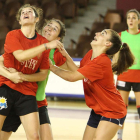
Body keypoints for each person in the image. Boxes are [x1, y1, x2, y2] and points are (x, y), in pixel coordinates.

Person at [49, 29, 135, 140]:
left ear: (107, 43)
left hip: (113, 111)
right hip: (98, 110)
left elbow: (72, 77)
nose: (97, 33)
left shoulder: (101, 62)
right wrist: (64, 53)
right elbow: (77, 70)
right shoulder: (90, 54)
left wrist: (51, 67)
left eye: (103, 33)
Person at [0, 4, 63, 140]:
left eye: (30, 11)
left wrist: (22, 76)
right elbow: (21, 56)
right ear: (20, 21)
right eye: (23, 12)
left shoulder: (42, 42)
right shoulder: (13, 35)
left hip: (27, 92)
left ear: (37, 19)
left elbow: (43, 74)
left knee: (34, 136)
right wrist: (46, 46)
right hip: (6, 88)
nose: (26, 12)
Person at [115, 9, 140, 140]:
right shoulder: (121, 36)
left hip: (139, 76)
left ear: (138, 21)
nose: (131, 20)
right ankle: (119, 137)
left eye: (134, 17)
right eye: (129, 17)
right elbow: (115, 56)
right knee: (121, 108)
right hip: (124, 75)